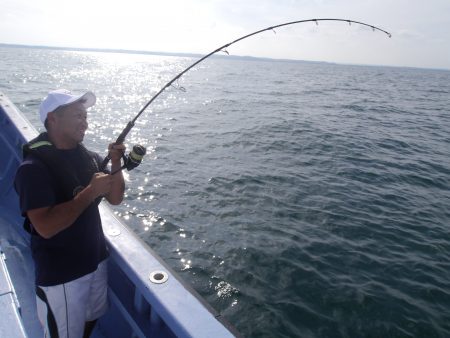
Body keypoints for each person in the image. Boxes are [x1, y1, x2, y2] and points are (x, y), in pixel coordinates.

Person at [14, 89, 126, 338]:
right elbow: (45, 227)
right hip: (63, 274)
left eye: (85, 116)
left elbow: (115, 198)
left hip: (95, 259)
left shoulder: (88, 157)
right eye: (78, 115)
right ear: (52, 118)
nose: (85, 122)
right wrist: (89, 192)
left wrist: (117, 163)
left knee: (92, 316)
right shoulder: (32, 169)